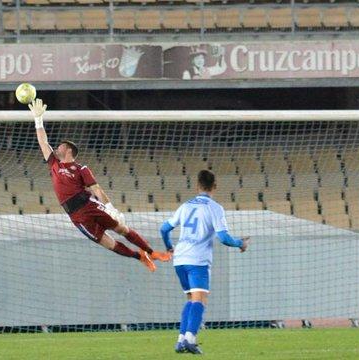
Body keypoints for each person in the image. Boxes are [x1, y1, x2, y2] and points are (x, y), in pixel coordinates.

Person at [28, 99, 170, 272]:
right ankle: (139, 256)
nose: (56, 148)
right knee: (108, 244)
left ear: (69, 150)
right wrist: (38, 120)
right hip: (76, 216)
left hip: (89, 205)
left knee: (121, 228)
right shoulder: (54, 165)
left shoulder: (81, 168)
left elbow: (96, 188)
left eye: (60, 146)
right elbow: (43, 142)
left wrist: (110, 207)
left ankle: (151, 252)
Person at [160, 170, 250, 354]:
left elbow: (164, 228)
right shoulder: (214, 208)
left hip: (180, 260)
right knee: (200, 299)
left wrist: (169, 246)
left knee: (191, 299)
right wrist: (240, 243)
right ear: (215, 186)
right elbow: (223, 237)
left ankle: (180, 340)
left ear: (197, 185)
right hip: (197, 259)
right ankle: (190, 340)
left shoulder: (185, 206)